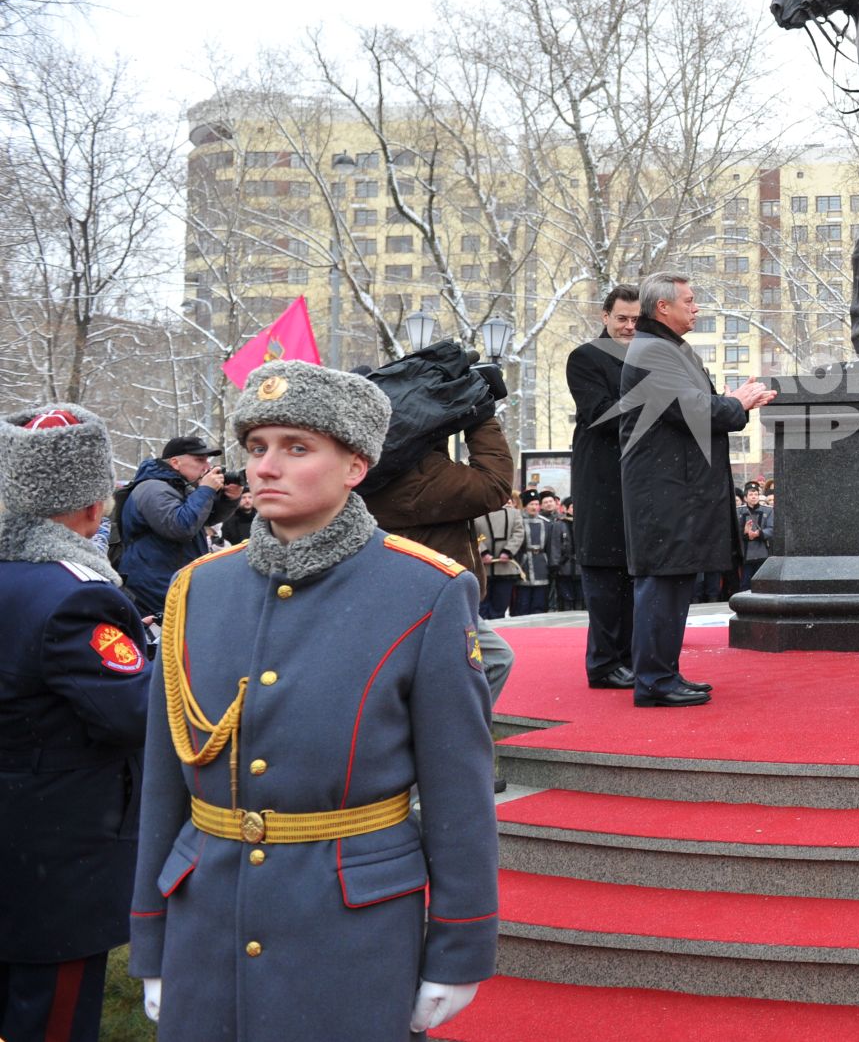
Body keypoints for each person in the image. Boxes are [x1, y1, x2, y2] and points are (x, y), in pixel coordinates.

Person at [129, 360, 497, 1039]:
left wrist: (460, 949)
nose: (267, 466)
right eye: (259, 446)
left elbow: (459, 790)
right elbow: (163, 784)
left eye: (298, 448)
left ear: (355, 466)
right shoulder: (196, 591)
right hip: (204, 920)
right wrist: (151, 937)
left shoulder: (424, 591)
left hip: (347, 935)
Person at [0, 405, 151, 1042]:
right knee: (50, 1019)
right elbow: (136, 713)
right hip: (56, 857)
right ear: (93, 508)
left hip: (20, 844)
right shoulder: (76, 594)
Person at [619, 272, 776, 706]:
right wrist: (736, 403)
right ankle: (653, 681)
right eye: (689, 300)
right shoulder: (653, 351)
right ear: (662, 307)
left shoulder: (665, 348)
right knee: (661, 584)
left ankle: (663, 674)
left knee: (673, 583)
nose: (696, 307)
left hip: (674, 487)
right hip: (663, 490)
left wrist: (732, 404)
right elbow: (691, 410)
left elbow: (701, 409)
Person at [361, 414, 517, 705]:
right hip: (432, 602)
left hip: (417, 596)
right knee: (493, 662)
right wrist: (478, 416)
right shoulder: (420, 471)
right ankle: (457, 737)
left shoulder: (379, 466)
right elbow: (495, 484)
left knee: (493, 659)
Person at [566, 285, 641, 689]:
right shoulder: (586, 357)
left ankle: (628, 657)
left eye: (635, 320)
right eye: (622, 319)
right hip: (602, 482)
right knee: (605, 576)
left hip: (641, 482)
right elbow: (599, 413)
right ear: (605, 317)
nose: (629, 327)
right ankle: (605, 663)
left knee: (633, 577)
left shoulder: (652, 357)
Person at [116, 434, 242, 620]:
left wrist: (228, 498)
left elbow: (205, 518)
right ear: (175, 462)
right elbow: (181, 527)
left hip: (169, 584)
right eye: (199, 460)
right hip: (153, 591)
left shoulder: (177, 487)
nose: (206, 466)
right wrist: (206, 489)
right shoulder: (152, 489)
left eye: (207, 460)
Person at [472, 491, 524, 620]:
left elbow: (518, 533)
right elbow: (472, 535)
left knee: (500, 606)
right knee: (481, 607)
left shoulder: (514, 514)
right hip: (483, 568)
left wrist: (508, 551)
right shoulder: (475, 514)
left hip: (505, 568)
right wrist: (483, 552)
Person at [515, 490, 552, 615]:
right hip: (523, 562)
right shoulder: (518, 521)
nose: (534, 507)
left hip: (541, 563)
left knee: (540, 601)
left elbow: (550, 546)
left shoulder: (546, 523)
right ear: (525, 506)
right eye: (531, 504)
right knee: (523, 602)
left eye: (537, 504)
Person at [546, 493, 580, 611]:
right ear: (565, 508)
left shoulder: (582, 523)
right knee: (566, 597)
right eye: (572, 507)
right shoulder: (559, 524)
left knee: (581, 597)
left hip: (580, 568)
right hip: (564, 567)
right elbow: (555, 545)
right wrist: (555, 565)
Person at [737, 482, 773, 591]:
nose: (754, 497)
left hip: (763, 551)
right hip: (745, 553)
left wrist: (759, 533)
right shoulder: (738, 511)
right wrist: (744, 532)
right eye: (751, 495)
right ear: (745, 498)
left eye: (756, 494)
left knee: (763, 584)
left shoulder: (768, 510)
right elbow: (734, 530)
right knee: (745, 584)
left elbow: (772, 528)